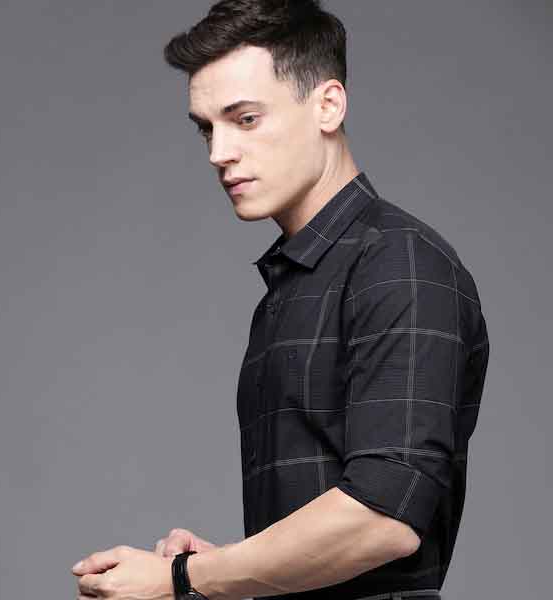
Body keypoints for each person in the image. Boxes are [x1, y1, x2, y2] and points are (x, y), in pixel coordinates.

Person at [71, 1, 489, 599]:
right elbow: (333, 524)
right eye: (206, 128)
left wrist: (182, 580)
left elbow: (383, 517)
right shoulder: (296, 284)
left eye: (244, 119)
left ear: (328, 105)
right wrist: (226, 565)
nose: (218, 152)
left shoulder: (399, 263)